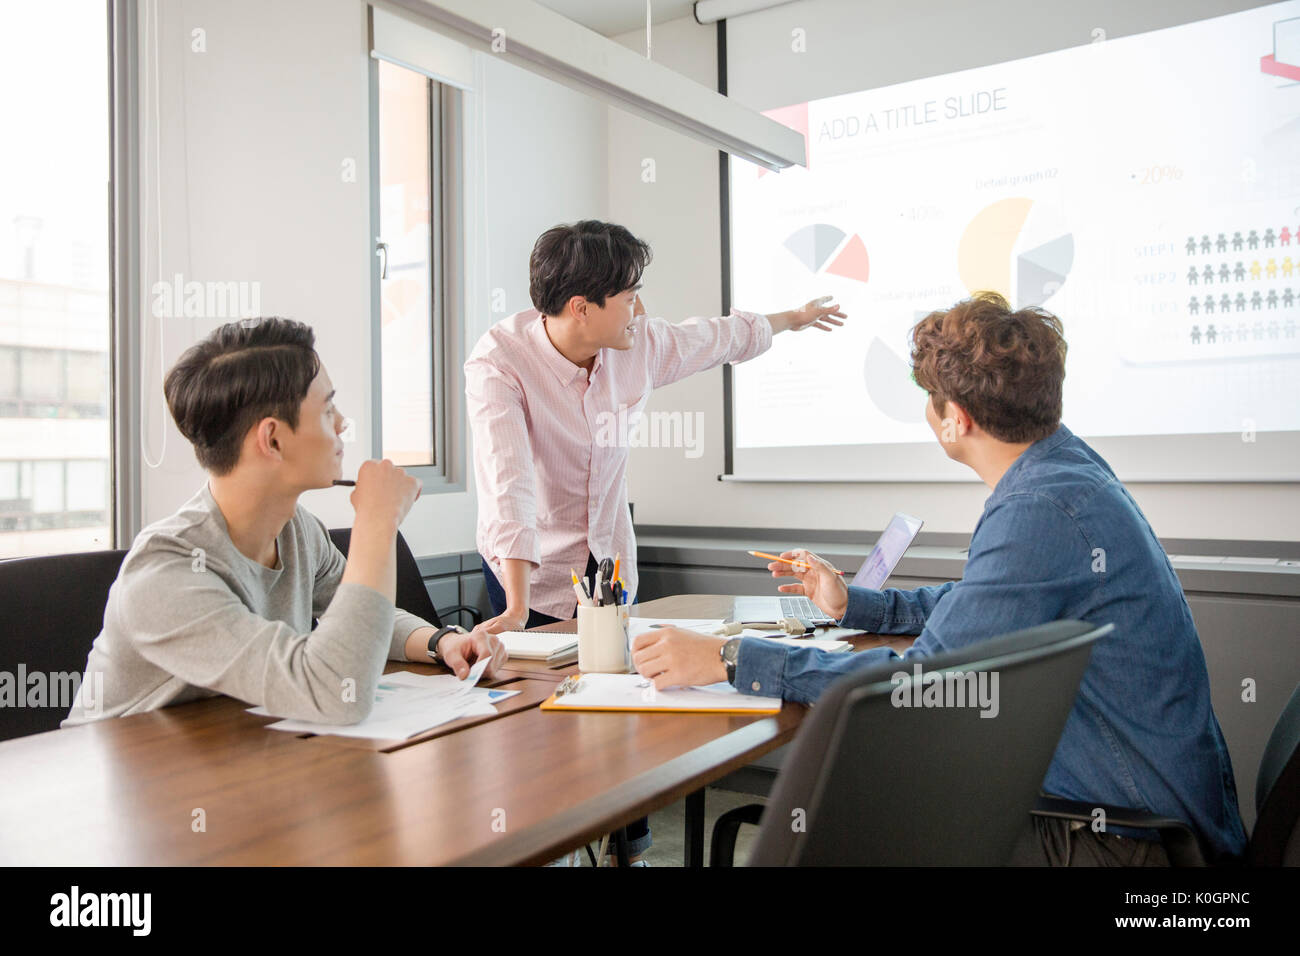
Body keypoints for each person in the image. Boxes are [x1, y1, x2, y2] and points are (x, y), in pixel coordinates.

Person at [630, 291, 1248, 866]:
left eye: (928, 396)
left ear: (956, 418)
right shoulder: (1063, 467)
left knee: (854, 824)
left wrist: (732, 657)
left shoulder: (1039, 508)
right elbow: (979, 603)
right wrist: (854, 604)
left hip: (1127, 839)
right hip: (1138, 806)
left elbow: (914, 685)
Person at [465, 219, 847, 862]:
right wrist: (515, 606)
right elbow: (510, 489)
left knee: (620, 721)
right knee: (538, 745)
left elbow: (716, 337)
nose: (640, 307)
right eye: (629, 295)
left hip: (607, 564)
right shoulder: (499, 362)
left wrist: (793, 316)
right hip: (523, 570)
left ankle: (630, 852)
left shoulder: (634, 343)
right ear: (582, 308)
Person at [63, 317, 504, 728]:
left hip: (227, 766)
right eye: (328, 408)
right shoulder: (167, 574)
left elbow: (361, 621)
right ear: (272, 439)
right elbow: (336, 695)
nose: (342, 423)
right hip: (113, 795)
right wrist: (377, 520)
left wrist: (438, 641)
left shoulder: (297, 531)